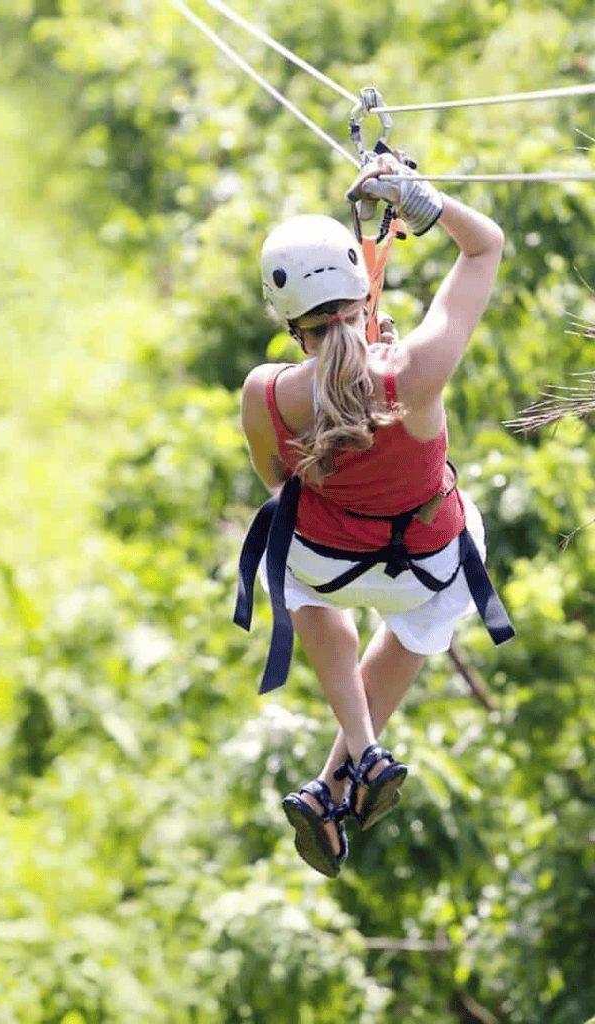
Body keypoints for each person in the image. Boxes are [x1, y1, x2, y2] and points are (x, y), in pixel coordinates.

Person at [235, 152, 513, 878]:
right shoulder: (417, 370)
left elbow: (277, 477)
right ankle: (347, 768)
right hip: (426, 563)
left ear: (291, 325)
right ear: (365, 296)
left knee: (287, 557)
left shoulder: (266, 394)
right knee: (425, 612)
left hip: (329, 560)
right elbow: (486, 245)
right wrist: (424, 204)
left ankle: (354, 761)